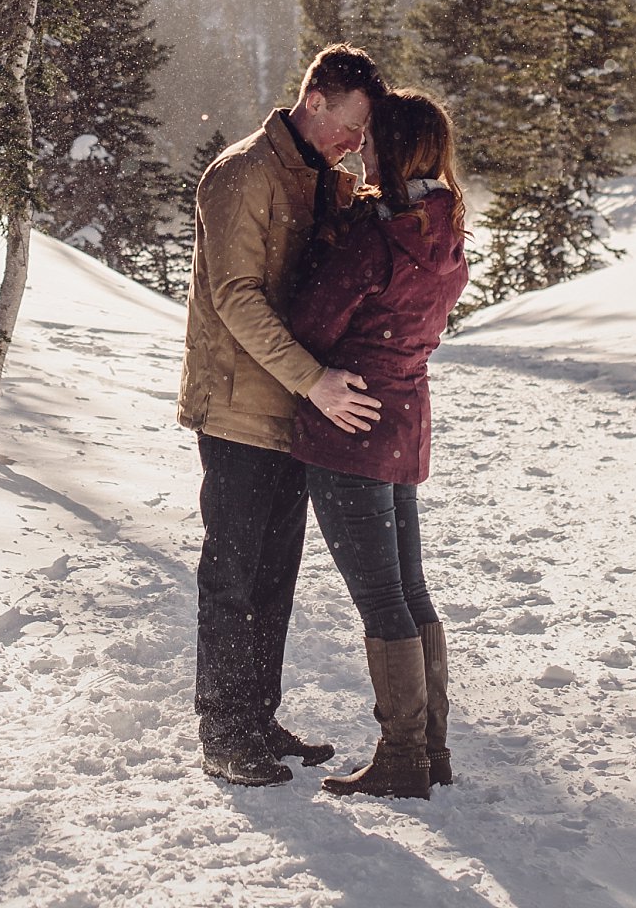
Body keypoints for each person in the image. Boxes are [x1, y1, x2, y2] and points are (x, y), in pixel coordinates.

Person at [177, 44, 388, 787]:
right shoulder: (244, 173)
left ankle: (257, 718)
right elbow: (235, 295)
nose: (356, 143)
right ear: (316, 100)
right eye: (352, 127)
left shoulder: (315, 176)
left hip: (292, 408)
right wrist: (317, 381)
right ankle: (223, 732)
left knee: (275, 574)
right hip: (239, 407)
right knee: (232, 572)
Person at [287, 88, 468, 800]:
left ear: (392, 149)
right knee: (411, 590)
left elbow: (309, 325)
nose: (360, 147)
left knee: (382, 600)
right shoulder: (443, 224)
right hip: (404, 421)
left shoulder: (376, 237)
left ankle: (401, 758)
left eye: (372, 139)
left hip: (351, 429)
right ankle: (430, 750)